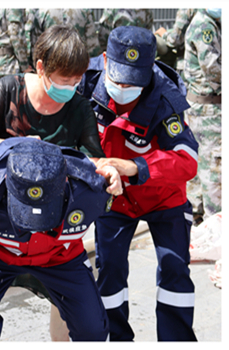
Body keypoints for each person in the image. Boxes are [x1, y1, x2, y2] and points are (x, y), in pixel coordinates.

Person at [83, 25, 199, 341]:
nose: (123, 87)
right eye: (117, 77)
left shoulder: (166, 98)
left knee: (175, 269)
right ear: (105, 60)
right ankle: (117, 338)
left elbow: (187, 160)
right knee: (109, 271)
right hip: (115, 198)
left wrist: (135, 167)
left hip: (164, 198)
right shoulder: (86, 84)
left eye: (133, 82)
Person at [0, 138, 111, 341]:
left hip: (60, 258)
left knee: (93, 328)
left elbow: (118, 185)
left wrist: (115, 179)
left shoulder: (90, 191)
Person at [0, 25, 105, 158]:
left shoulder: (80, 107)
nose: (70, 88)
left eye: (77, 81)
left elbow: (94, 160)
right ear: (41, 68)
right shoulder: (10, 89)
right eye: (65, 80)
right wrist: (17, 146)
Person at [181, 8, 221, 220]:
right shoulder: (205, 25)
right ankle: (215, 223)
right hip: (209, 112)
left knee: (199, 165)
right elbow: (214, 71)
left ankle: (197, 218)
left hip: (205, 109)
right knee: (214, 170)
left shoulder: (211, 22)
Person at [27, 9, 102, 58]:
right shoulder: (84, 10)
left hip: (51, 64)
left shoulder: (41, 11)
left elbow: (36, 44)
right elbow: (92, 44)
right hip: (77, 63)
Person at [0, 9, 33, 87]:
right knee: (10, 97)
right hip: (7, 65)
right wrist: (25, 66)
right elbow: (16, 37)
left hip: (0, 64)